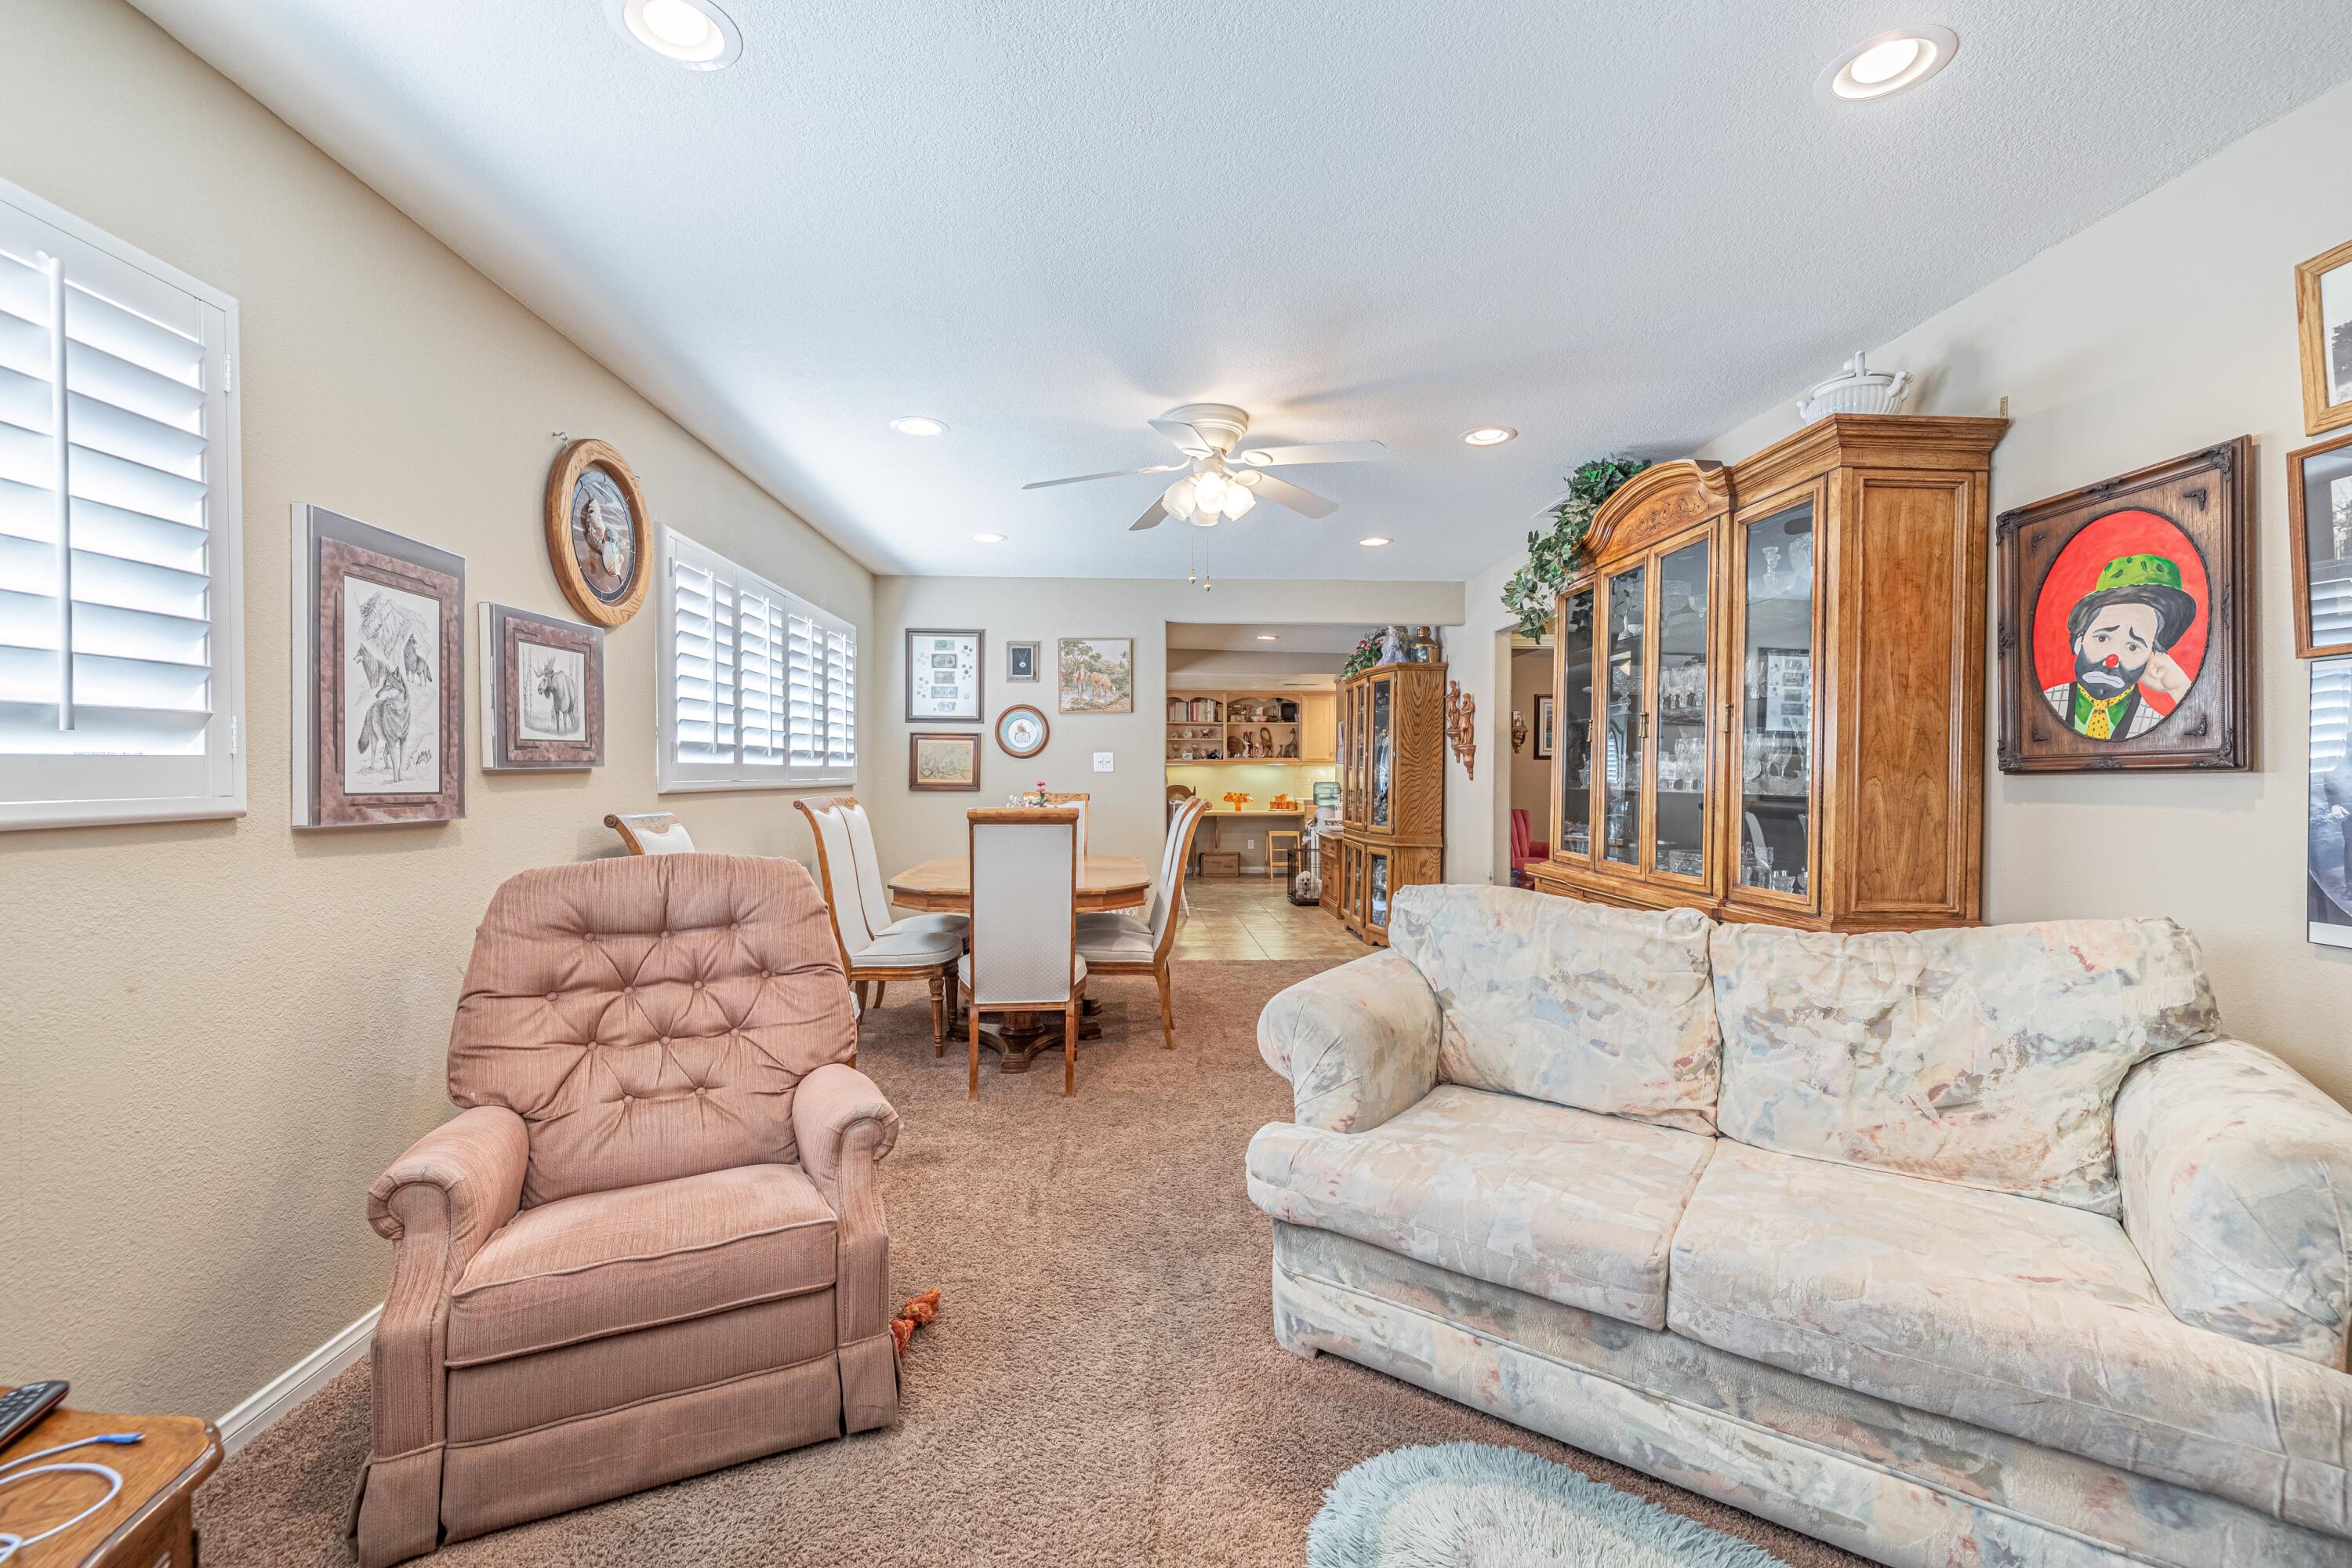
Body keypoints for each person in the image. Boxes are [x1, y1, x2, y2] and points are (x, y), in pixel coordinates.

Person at [2040, 553, 2197, 740]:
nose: (2112, 661)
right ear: (2079, 641)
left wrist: (2179, 688)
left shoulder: (2156, 724)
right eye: (2102, 638)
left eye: (2133, 647)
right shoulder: (2044, 705)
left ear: (2150, 657)